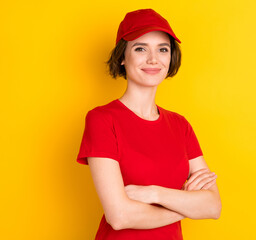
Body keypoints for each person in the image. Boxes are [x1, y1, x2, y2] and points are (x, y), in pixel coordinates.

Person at [76, 8, 221, 240]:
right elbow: (120, 216)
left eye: (162, 49)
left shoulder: (180, 125)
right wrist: (186, 203)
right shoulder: (102, 119)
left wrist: (153, 193)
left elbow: (213, 207)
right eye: (141, 48)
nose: (153, 59)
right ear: (122, 57)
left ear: (170, 57)